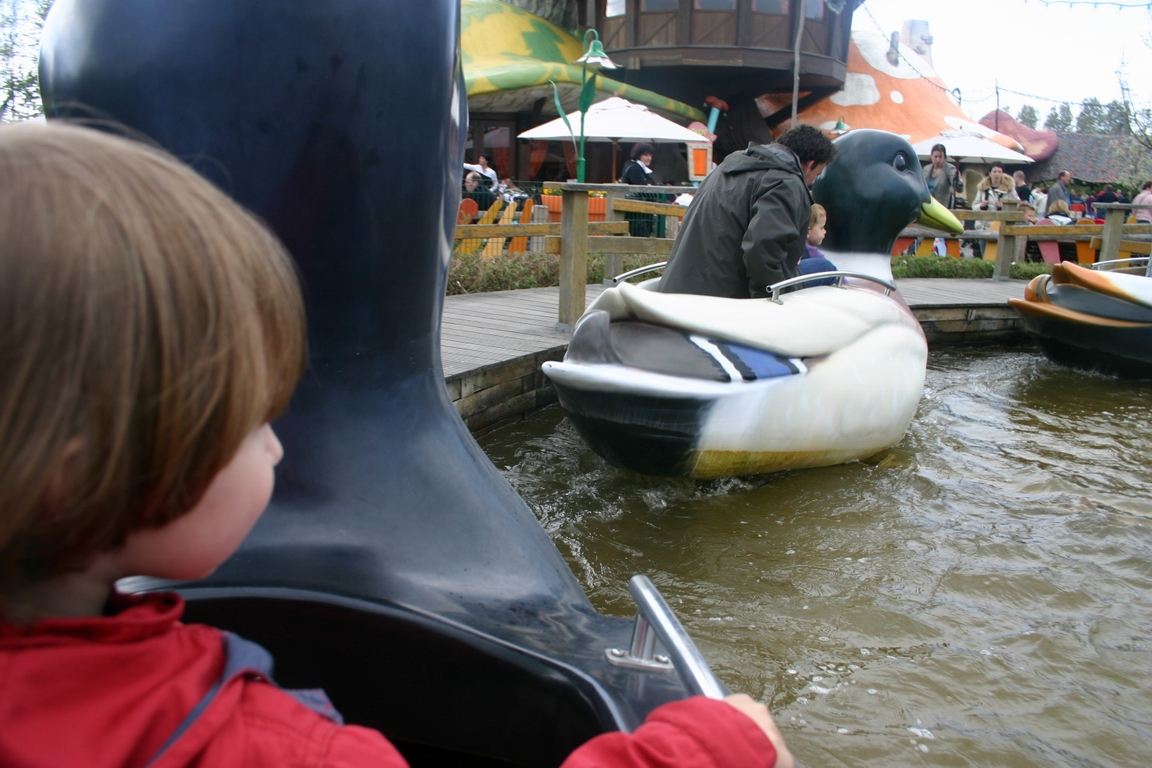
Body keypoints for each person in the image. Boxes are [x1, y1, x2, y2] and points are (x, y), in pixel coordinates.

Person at [0, 122, 795, 768]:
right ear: (74, 476)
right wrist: (705, 749)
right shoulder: (248, 746)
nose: (275, 451)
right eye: (249, 421)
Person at [658, 124, 836, 299]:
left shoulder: (727, 167)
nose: (812, 182)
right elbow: (763, 253)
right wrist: (768, 303)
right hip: (722, 297)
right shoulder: (786, 181)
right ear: (810, 164)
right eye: (817, 174)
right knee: (825, 268)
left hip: (679, 287)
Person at [970, 164, 1018, 256]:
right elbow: (974, 206)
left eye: (999, 172)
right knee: (985, 254)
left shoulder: (1009, 189)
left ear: (1002, 174)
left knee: (999, 254)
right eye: (994, 171)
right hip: (983, 226)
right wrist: (981, 206)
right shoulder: (982, 188)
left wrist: (1005, 206)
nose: (997, 174)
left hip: (1000, 227)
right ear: (990, 173)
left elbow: (1017, 205)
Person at [619, 141, 658, 237]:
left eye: (650, 155)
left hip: (639, 210)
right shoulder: (634, 168)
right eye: (646, 155)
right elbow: (646, 191)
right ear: (638, 155)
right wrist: (649, 186)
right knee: (641, 236)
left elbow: (655, 187)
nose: (649, 158)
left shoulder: (639, 168)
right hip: (637, 213)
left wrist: (650, 186)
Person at [923, 144, 963, 209]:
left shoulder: (950, 169)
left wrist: (957, 179)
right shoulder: (926, 169)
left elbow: (958, 189)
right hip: (927, 206)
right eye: (936, 156)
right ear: (931, 156)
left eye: (940, 157)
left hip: (942, 207)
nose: (938, 160)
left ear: (945, 157)